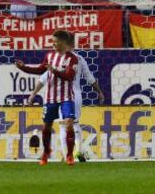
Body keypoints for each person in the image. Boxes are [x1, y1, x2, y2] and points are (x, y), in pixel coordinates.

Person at [33, 32, 104, 162]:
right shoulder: (79, 58)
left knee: (62, 126)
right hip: (76, 95)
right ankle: (79, 151)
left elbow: (43, 79)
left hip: (64, 94)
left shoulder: (58, 58)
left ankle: (68, 155)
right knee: (74, 124)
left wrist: (33, 93)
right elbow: (89, 78)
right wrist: (99, 91)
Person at [16, 30, 78, 166]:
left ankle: (69, 155)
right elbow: (39, 70)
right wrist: (23, 68)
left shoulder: (72, 58)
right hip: (50, 98)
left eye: (56, 41)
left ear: (64, 42)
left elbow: (69, 76)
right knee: (46, 126)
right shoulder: (49, 56)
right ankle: (46, 152)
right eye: (52, 41)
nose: (53, 44)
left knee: (69, 123)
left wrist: (54, 70)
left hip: (66, 97)